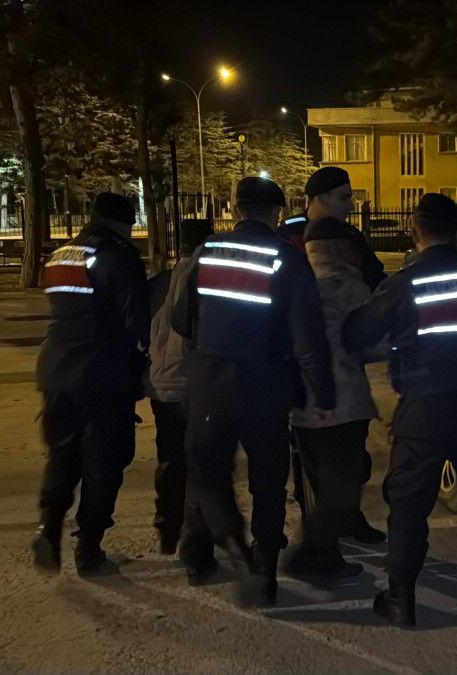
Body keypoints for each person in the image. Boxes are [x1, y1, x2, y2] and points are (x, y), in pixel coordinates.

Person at [342, 192, 457, 627]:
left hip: (425, 409)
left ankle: (401, 599)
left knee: (409, 504)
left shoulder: (404, 284)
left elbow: (358, 334)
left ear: (414, 231)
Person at [171, 176, 335, 608]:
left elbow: (180, 319)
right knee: (268, 480)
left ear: (234, 208)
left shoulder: (206, 252)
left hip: (210, 381)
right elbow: (308, 338)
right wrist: (322, 395)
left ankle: (229, 547)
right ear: (277, 214)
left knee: (208, 473)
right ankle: (264, 567)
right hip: (266, 383)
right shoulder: (287, 258)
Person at [31, 192, 149, 576]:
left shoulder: (60, 256)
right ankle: (89, 547)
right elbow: (138, 320)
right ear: (123, 223)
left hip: (55, 370)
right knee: (104, 462)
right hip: (102, 374)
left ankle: (49, 527)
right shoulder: (119, 256)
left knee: (62, 454)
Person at [283, 215, 390, 580]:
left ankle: (330, 547)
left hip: (302, 404)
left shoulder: (298, 284)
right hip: (341, 404)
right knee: (343, 486)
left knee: (320, 483)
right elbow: (372, 344)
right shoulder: (349, 287)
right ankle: (315, 555)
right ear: (343, 248)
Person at [145, 219, 213, 555]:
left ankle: (167, 527)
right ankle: (197, 538)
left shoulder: (158, 283)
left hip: (162, 386)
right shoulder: (207, 281)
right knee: (201, 463)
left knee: (170, 458)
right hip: (195, 384)